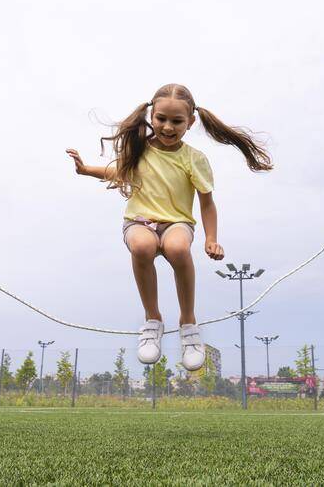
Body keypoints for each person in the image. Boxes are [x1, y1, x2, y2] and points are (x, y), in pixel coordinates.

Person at [67, 83, 272, 370]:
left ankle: (188, 323)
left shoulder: (194, 158)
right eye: (161, 119)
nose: (167, 127)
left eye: (177, 121)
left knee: (176, 248)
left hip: (177, 222)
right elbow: (120, 172)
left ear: (190, 122)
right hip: (140, 221)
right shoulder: (138, 149)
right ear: (151, 116)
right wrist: (86, 169)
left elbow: (207, 202)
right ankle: (153, 320)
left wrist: (211, 238)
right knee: (142, 245)